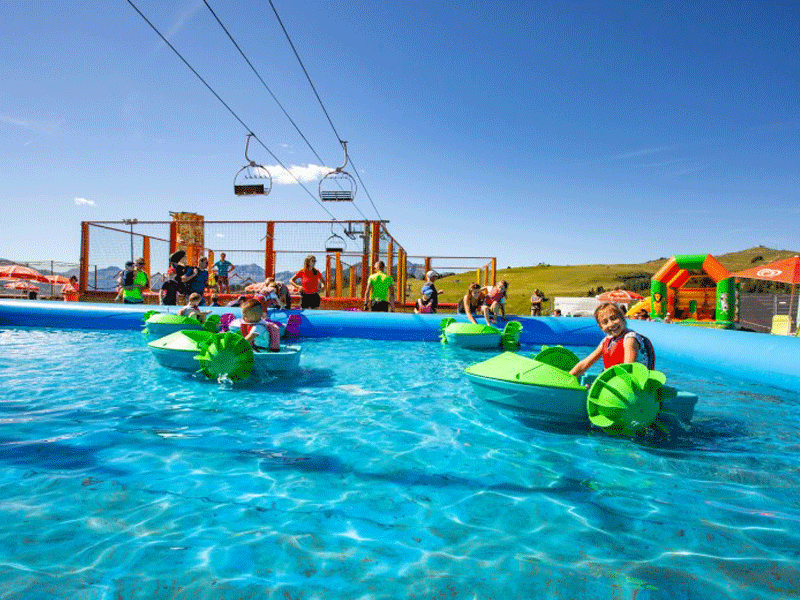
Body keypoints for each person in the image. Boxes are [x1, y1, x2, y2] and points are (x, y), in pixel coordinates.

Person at [569, 303, 655, 378]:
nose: (611, 324)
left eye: (614, 318)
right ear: (601, 327)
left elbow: (628, 368)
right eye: (605, 322)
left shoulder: (630, 339)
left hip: (632, 386)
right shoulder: (607, 341)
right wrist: (569, 377)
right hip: (615, 383)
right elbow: (584, 364)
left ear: (622, 317)